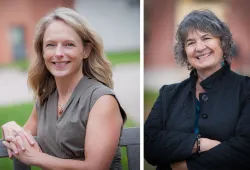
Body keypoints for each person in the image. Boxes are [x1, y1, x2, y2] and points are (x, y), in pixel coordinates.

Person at [1, 7, 126, 170]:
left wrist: (39, 158)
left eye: (69, 44)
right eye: (51, 45)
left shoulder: (101, 100)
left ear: (86, 50)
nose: (58, 53)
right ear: (43, 51)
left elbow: (95, 167)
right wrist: (9, 127)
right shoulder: (44, 99)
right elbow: (22, 140)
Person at [144, 10, 250, 170]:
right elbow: (149, 144)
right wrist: (199, 144)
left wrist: (186, 166)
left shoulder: (245, 89)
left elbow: (245, 149)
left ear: (222, 42)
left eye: (206, 38)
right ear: (185, 52)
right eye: (190, 42)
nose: (199, 47)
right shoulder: (168, 94)